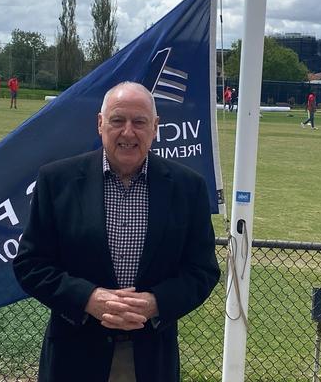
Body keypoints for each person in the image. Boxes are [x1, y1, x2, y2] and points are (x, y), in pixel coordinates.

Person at [13, 81, 220, 382]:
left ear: (155, 127)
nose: (128, 132)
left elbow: (202, 271)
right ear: (100, 124)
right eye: (117, 120)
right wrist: (88, 298)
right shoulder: (57, 181)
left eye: (139, 122)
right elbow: (30, 264)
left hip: (150, 358)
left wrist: (156, 303)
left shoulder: (188, 187)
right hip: (74, 357)